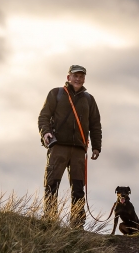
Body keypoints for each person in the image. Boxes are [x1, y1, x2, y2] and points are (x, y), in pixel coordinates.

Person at [38, 64, 102, 228]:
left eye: (81, 76)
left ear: (84, 79)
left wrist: (96, 146)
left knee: (78, 189)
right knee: (52, 184)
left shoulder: (89, 99)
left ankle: (77, 224)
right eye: (75, 75)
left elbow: (95, 124)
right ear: (68, 77)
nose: (78, 78)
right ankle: (50, 219)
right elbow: (44, 116)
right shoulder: (56, 93)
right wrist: (45, 133)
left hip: (79, 150)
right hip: (58, 146)